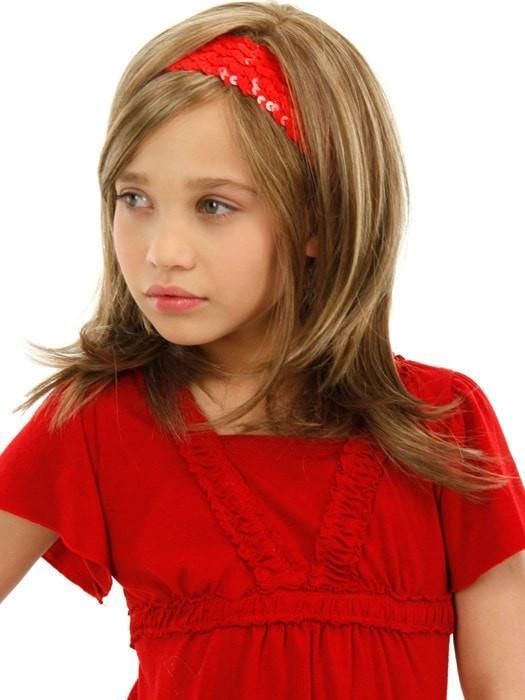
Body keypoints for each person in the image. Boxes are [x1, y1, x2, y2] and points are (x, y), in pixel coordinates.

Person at [1, 2, 524, 698]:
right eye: (134, 198)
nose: (162, 252)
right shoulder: (96, 423)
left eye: (214, 205)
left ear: (320, 217)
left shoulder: (443, 426)